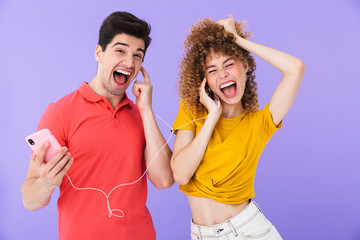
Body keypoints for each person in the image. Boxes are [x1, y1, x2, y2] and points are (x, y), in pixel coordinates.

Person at [21, 11, 174, 240]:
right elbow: (29, 201)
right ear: (98, 53)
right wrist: (45, 183)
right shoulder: (60, 112)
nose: (129, 62)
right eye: (120, 50)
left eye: (137, 55)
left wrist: (146, 111)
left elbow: (164, 180)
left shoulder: (142, 116)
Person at [171, 17, 304, 240]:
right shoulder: (192, 110)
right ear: (204, 81)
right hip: (200, 234)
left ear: (245, 65)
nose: (222, 74)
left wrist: (238, 41)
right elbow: (181, 174)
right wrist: (212, 117)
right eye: (212, 70)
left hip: (248, 232)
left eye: (229, 64)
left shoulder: (259, 123)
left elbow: (295, 69)